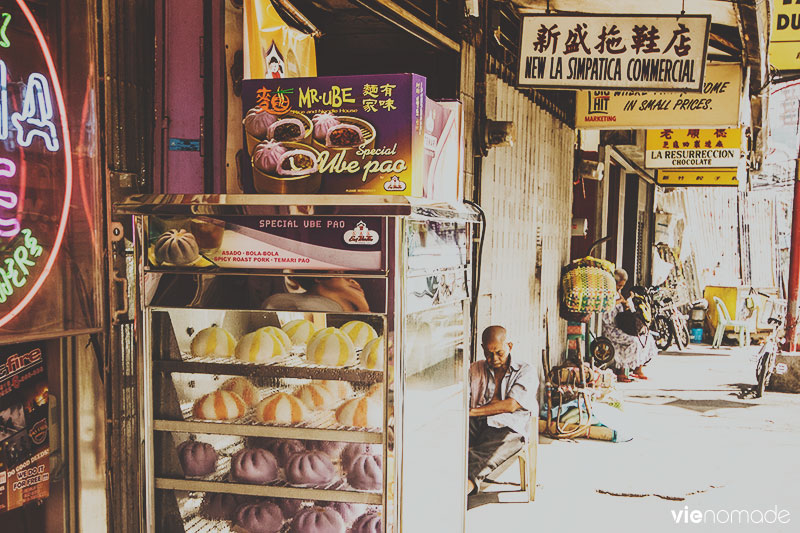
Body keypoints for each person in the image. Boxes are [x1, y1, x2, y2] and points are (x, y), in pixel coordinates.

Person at [467, 325, 536, 495]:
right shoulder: (475, 369)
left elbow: (511, 405)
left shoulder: (526, 370)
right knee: (451, 436)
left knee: (487, 452)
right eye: (489, 354)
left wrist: (472, 412)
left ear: (509, 346)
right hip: (478, 421)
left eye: (499, 353)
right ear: (482, 348)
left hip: (509, 425)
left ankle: (463, 486)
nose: (494, 358)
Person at [602, 268, 657, 382]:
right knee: (634, 341)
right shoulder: (607, 294)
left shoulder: (619, 294)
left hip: (621, 326)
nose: (620, 288)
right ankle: (621, 371)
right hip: (611, 328)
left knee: (647, 338)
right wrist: (620, 302)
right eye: (619, 286)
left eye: (622, 286)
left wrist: (627, 305)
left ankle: (638, 367)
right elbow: (607, 312)